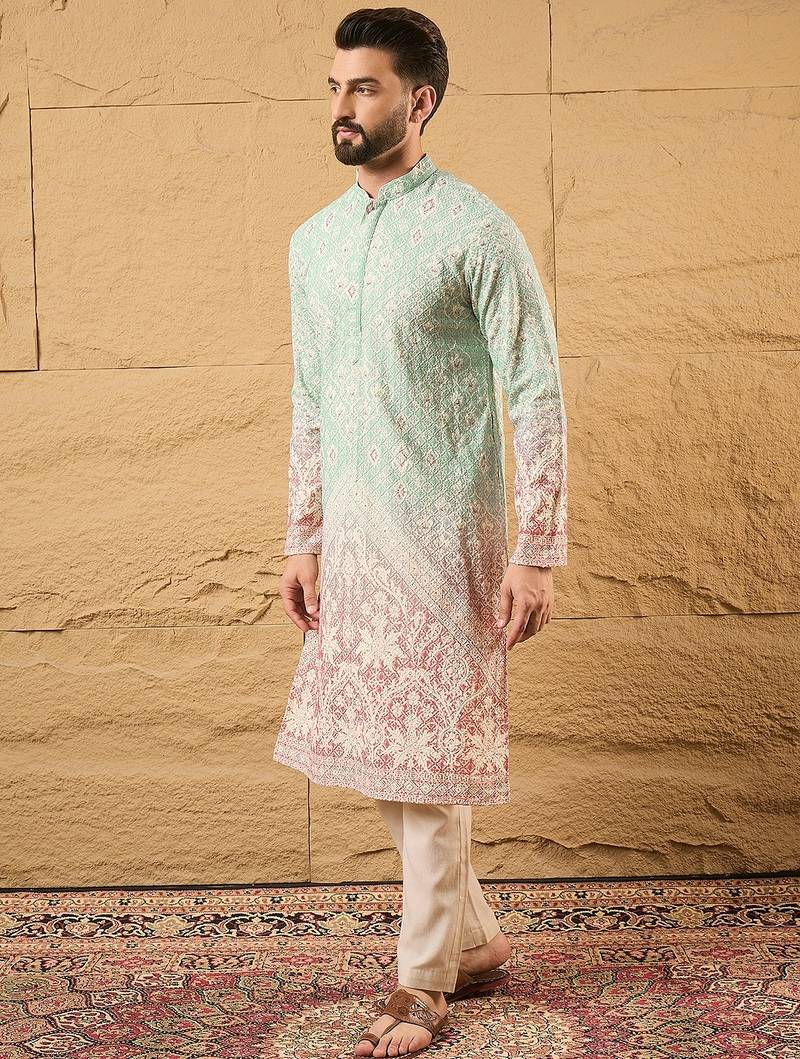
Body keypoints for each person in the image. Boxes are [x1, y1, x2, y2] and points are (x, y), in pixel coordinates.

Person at [274, 7, 568, 1056]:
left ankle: (422, 980)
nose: (343, 105)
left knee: (429, 765)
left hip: (448, 540)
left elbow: (534, 392)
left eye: (365, 87)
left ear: (420, 100)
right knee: (390, 761)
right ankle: (473, 940)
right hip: (354, 542)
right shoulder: (313, 244)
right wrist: (302, 535)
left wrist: (535, 550)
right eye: (336, 86)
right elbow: (310, 398)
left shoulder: (476, 232)